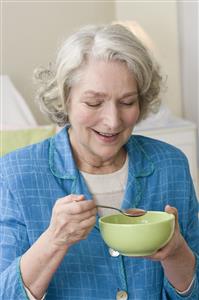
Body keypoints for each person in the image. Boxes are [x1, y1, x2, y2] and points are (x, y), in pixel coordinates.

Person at [0, 24, 198, 300]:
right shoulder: (15, 174)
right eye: (94, 103)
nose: (113, 121)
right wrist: (54, 240)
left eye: (127, 102)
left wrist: (177, 251)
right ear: (65, 99)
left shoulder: (170, 165)